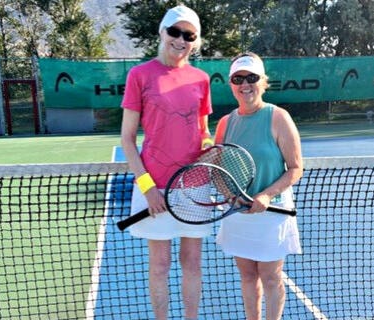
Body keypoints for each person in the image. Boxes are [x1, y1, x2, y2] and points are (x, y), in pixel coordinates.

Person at [120, 5, 213, 320]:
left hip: (195, 187)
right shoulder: (139, 75)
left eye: (189, 35)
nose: (181, 40)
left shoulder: (201, 79)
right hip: (155, 187)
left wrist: (210, 148)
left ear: (195, 41)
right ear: (162, 33)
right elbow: (127, 140)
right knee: (159, 266)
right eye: (175, 32)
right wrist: (148, 188)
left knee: (192, 263)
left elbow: (203, 132)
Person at [214, 52, 303, 320]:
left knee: (271, 277)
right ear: (231, 84)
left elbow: (295, 168)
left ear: (262, 81)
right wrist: (230, 196)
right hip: (238, 216)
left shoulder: (278, 117)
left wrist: (265, 195)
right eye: (238, 78)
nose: (245, 84)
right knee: (248, 276)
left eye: (251, 77)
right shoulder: (225, 123)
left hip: (272, 214)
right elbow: (217, 172)